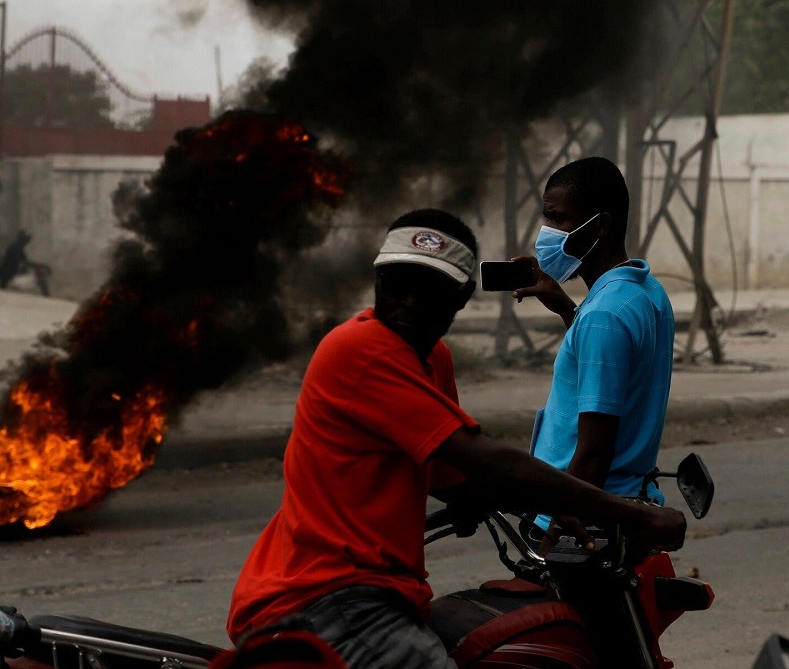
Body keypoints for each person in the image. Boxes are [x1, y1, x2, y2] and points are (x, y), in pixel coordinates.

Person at [227, 208, 686, 669]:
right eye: (396, 284)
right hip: (327, 597)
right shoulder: (360, 349)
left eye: (427, 291)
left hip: (375, 596)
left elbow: (459, 478)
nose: (407, 302)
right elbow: (489, 462)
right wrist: (629, 514)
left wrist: (544, 505)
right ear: (377, 281)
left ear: (460, 297)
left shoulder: (433, 360)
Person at [512, 156, 675, 509]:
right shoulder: (645, 292)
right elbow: (612, 367)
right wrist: (569, 310)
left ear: (600, 225)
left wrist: (555, 537)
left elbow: (593, 454)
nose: (547, 233)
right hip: (630, 502)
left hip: (587, 519)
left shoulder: (604, 314)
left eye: (557, 219)